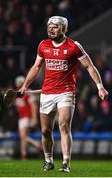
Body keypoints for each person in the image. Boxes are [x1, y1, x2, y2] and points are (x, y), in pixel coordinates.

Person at [19, 16, 108, 171]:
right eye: (50, 26)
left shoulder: (74, 46)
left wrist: (100, 86)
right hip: (47, 92)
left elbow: (89, 66)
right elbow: (36, 67)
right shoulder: (43, 45)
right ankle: (49, 160)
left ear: (64, 28)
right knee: (45, 131)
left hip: (66, 91)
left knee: (64, 125)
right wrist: (25, 86)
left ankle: (66, 163)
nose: (51, 29)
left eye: (55, 26)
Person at [15, 76, 42, 159]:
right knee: (23, 137)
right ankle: (36, 146)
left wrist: (34, 118)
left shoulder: (28, 92)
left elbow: (33, 106)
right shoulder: (18, 93)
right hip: (21, 117)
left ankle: (24, 155)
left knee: (23, 137)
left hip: (27, 117)